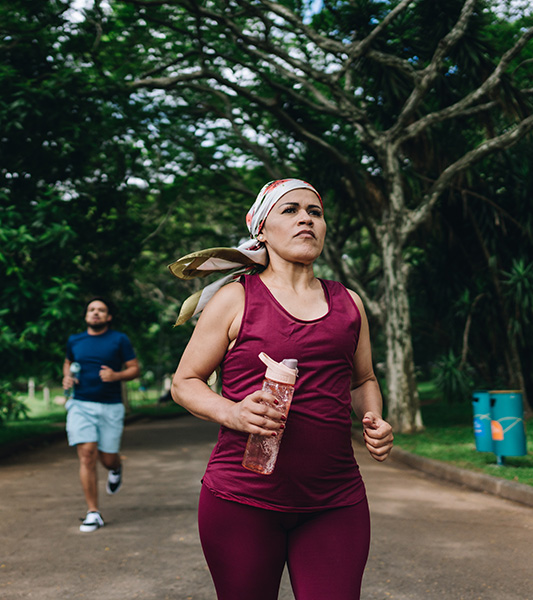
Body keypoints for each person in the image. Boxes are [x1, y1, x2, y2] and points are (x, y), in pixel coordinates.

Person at [169, 179, 394, 599]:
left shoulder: (350, 303)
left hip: (335, 501)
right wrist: (233, 412)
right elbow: (184, 383)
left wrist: (375, 418)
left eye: (315, 211)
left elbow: (362, 380)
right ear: (261, 228)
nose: (306, 218)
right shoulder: (236, 299)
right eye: (290, 210)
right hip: (241, 500)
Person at [63, 297, 140, 532]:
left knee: (107, 459)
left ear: (108, 317)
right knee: (87, 454)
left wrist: (116, 376)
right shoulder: (75, 340)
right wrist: (67, 377)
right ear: (86, 315)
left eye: (101, 310)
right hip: (80, 404)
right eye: (91, 309)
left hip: (110, 406)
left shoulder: (119, 339)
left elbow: (134, 368)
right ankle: (93, 512)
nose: (95, 313)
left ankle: (115, 468)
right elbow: (68, 362)